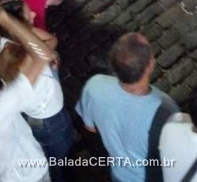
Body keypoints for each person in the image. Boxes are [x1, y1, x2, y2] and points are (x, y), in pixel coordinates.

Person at [76, 33, 179, 182]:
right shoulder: (166, 109)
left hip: (118, 173)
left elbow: (90, 127)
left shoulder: (94, 85)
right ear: (150, 66)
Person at [0, 0, 75, 182]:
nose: (33, 14)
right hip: (49, 121)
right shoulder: (27, 61)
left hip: (30, 117)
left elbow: (50, 43)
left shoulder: (4, 46)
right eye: (28, 14)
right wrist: (7, 19)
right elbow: (44, 54)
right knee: (58, 158)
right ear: (19, 28)